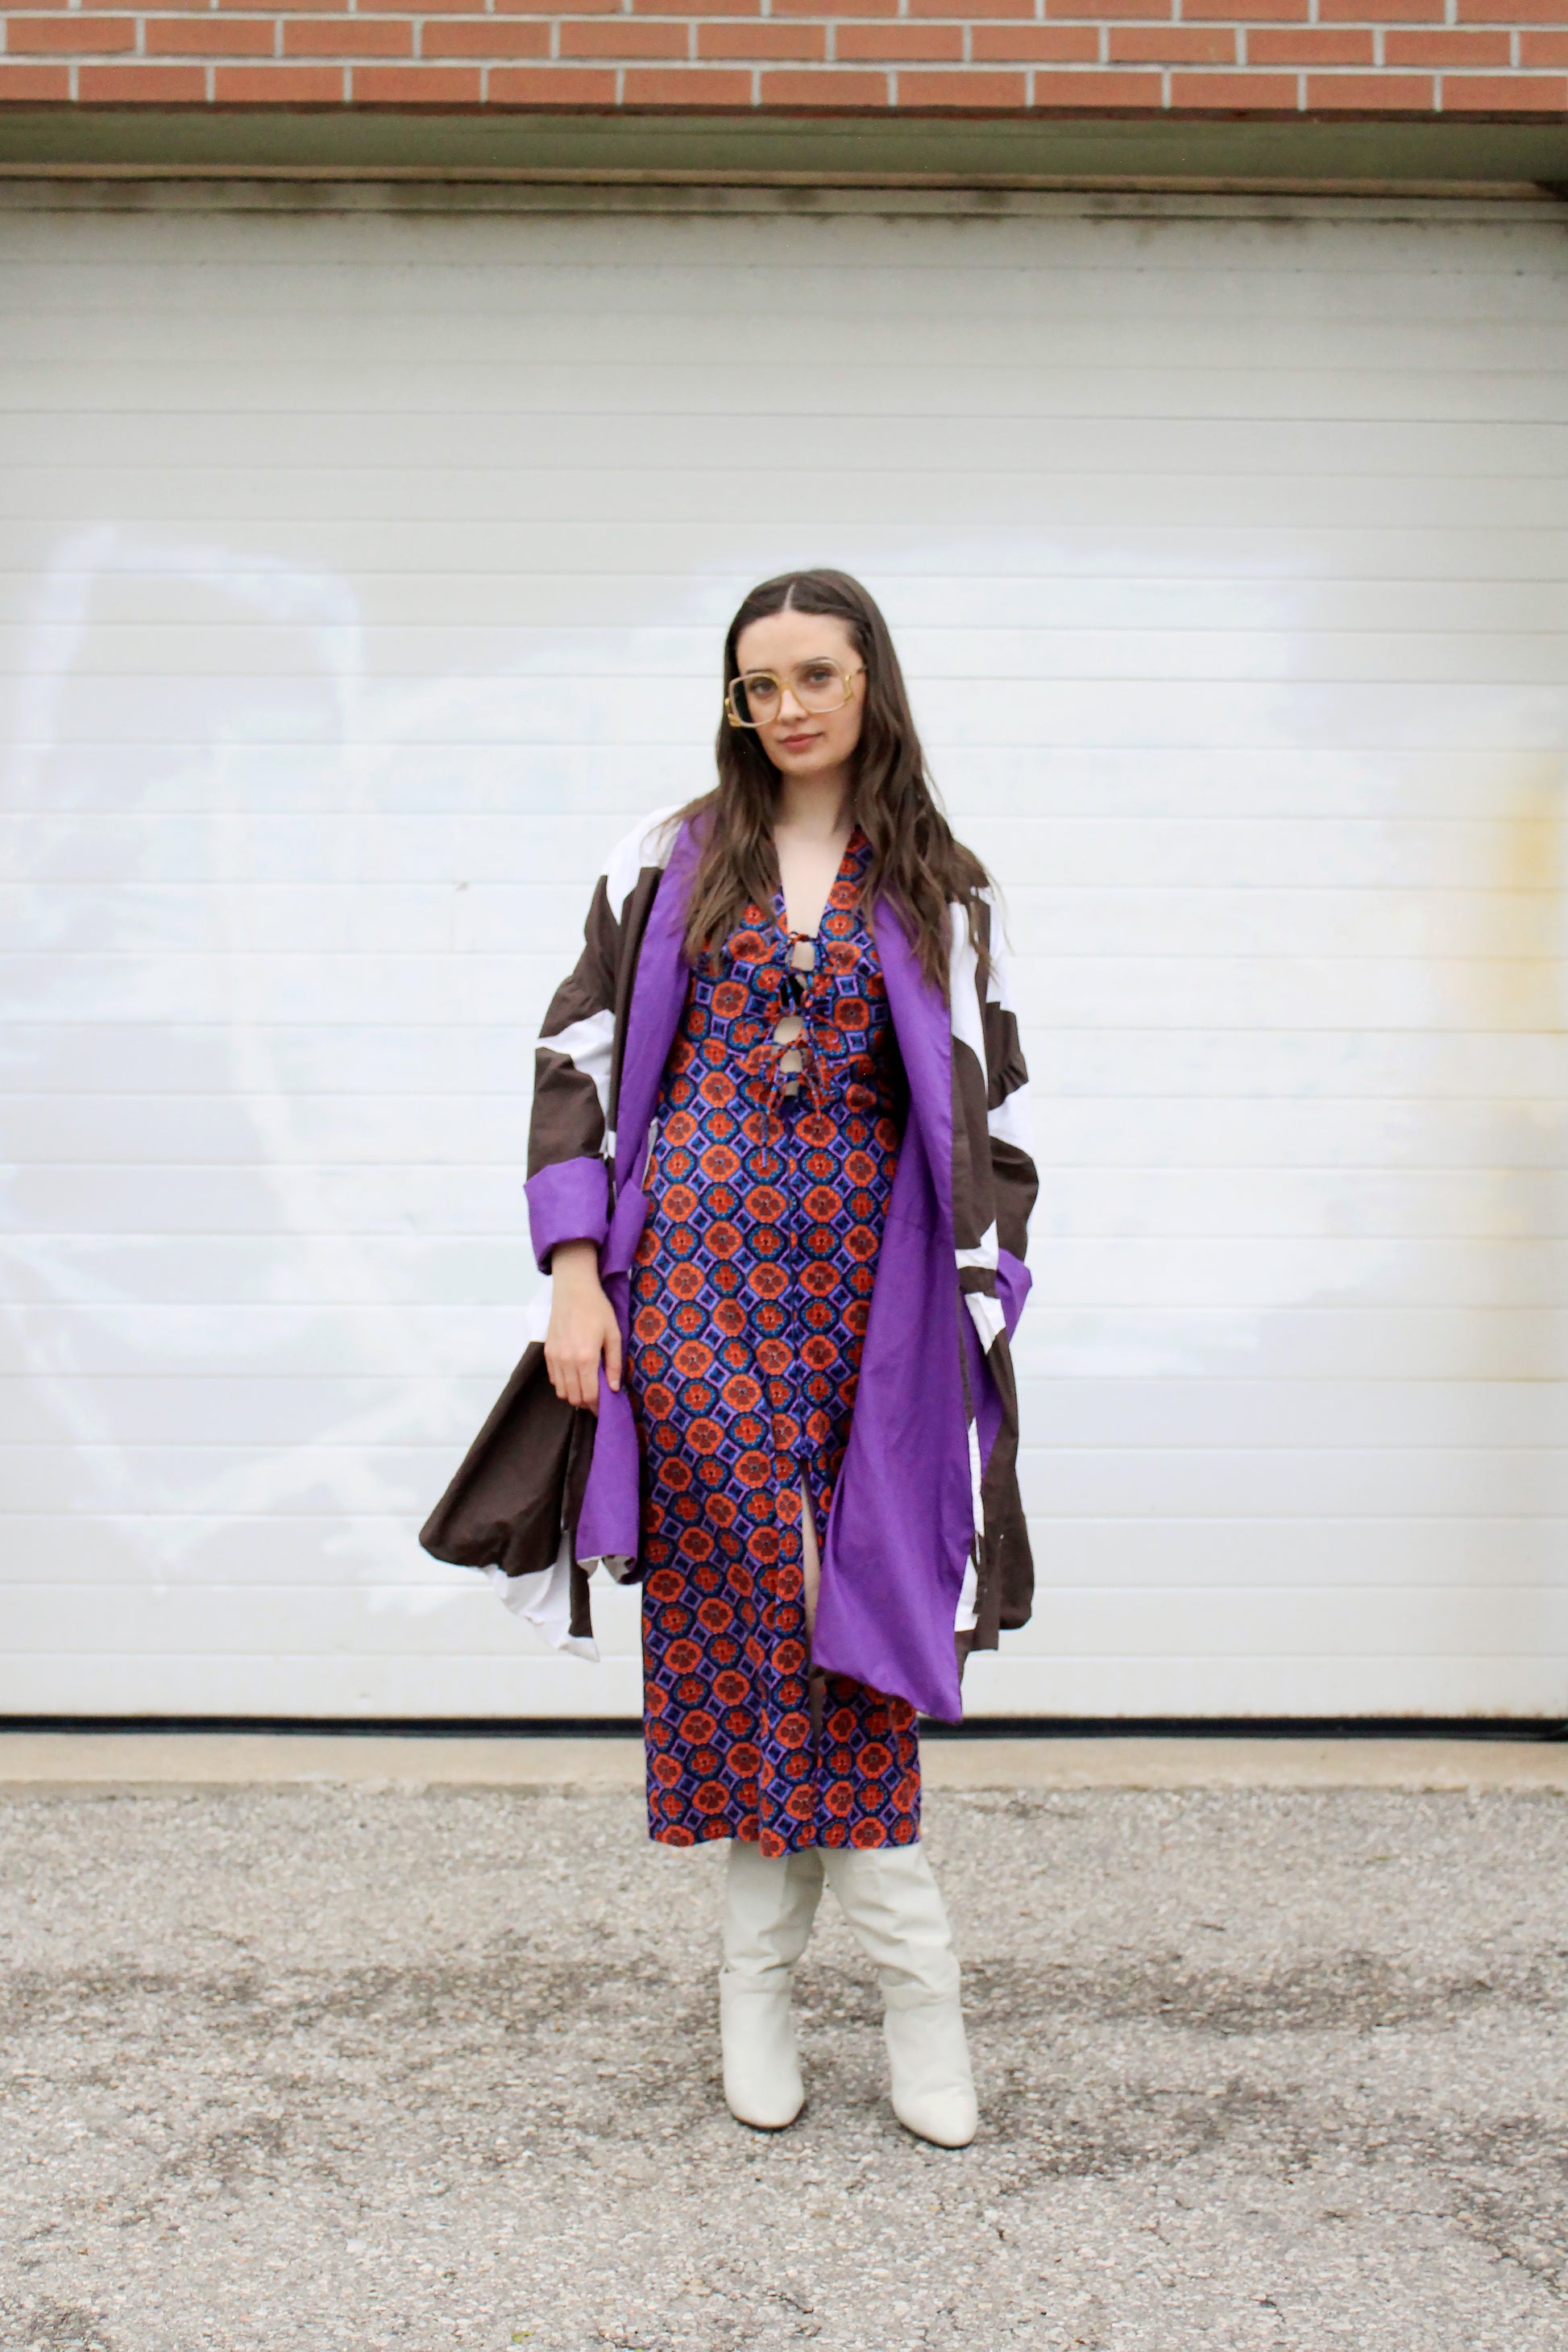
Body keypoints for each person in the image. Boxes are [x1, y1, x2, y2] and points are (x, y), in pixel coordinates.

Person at [422, 569, 1037, 2149]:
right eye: (758, 682)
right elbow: (573, 1063)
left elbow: (995, 1117)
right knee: (751, 1604)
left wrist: (985, 1290)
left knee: (858, 1611)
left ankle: (882, 1983)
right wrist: (576, 1272)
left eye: (814, 674)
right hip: (690, 1284)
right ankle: (799, 1988)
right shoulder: (666, 858)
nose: (787, 705)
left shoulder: (946, 891)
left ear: (867, 683)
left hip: (870, 1306)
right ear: (734, 699)